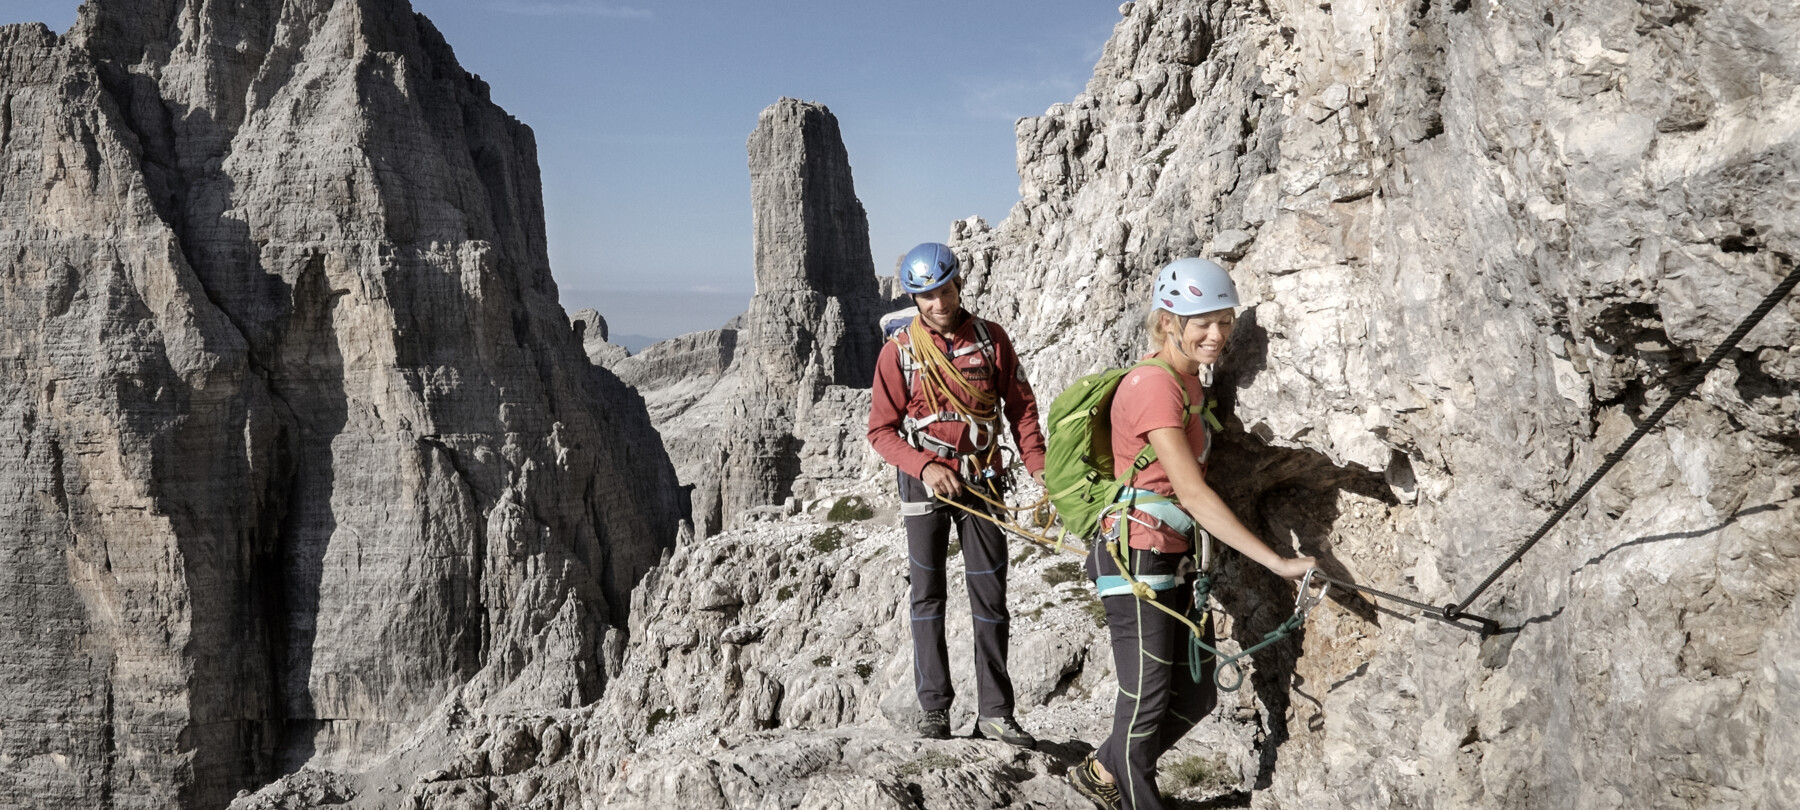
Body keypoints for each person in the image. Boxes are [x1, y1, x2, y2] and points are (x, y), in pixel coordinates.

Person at [1067, 258, 1317, 810]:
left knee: (1197, 694)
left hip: (1172, 558)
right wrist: (1277, 563)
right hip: (1137, 557)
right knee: (1146, 703)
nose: (1217, 335)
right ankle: (1132, 790)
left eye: (1224, 321)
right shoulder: (1155, 386)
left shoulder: (1187, 382)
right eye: (1202, 323)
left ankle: (1102, 771)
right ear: (1168, 322)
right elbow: (1194, 493)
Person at [866, 242, 1047, 747]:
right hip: (924, 481)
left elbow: (1021, 408)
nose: (939, 303)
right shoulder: (899, 352)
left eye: (945, 291)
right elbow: (881, 430)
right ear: (913, 298)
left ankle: (996, 713)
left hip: (983, 477)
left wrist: (1038, 465)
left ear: (958, 285)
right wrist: (924, 466)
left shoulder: (991, 340)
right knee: (928, 594)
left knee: (990, 595)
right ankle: (934, 710)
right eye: (927, 296)